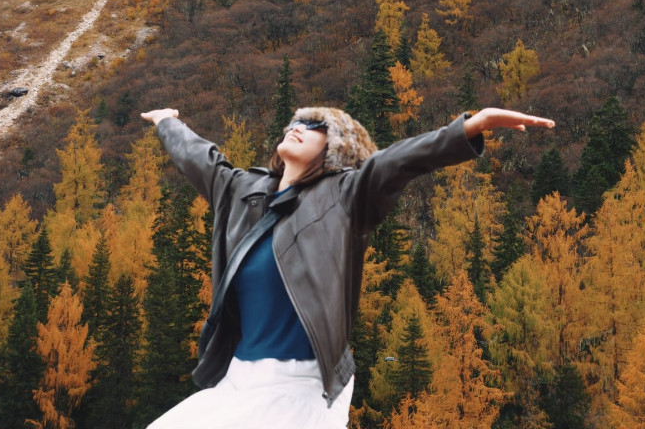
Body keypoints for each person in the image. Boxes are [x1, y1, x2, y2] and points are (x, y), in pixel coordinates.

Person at [140, 104, 555, 428]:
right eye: (298, 121)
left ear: (336, 151)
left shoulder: (344, 197)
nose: (299, 127)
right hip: (238, 383)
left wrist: (467, 127)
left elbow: (396, 162)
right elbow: (200, 159)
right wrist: (165, 122)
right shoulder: (243, 192)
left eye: (318, 127)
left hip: (303, 390)